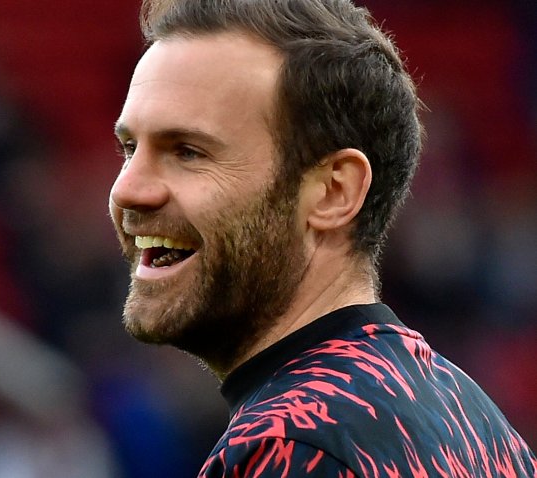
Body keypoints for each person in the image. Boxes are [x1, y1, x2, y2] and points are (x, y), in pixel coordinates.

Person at [107, 0, 537, 476]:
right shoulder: (476, 422)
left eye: (188, 151)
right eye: (130, 148)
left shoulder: (292, 446)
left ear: (334, 191)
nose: (127, 190)